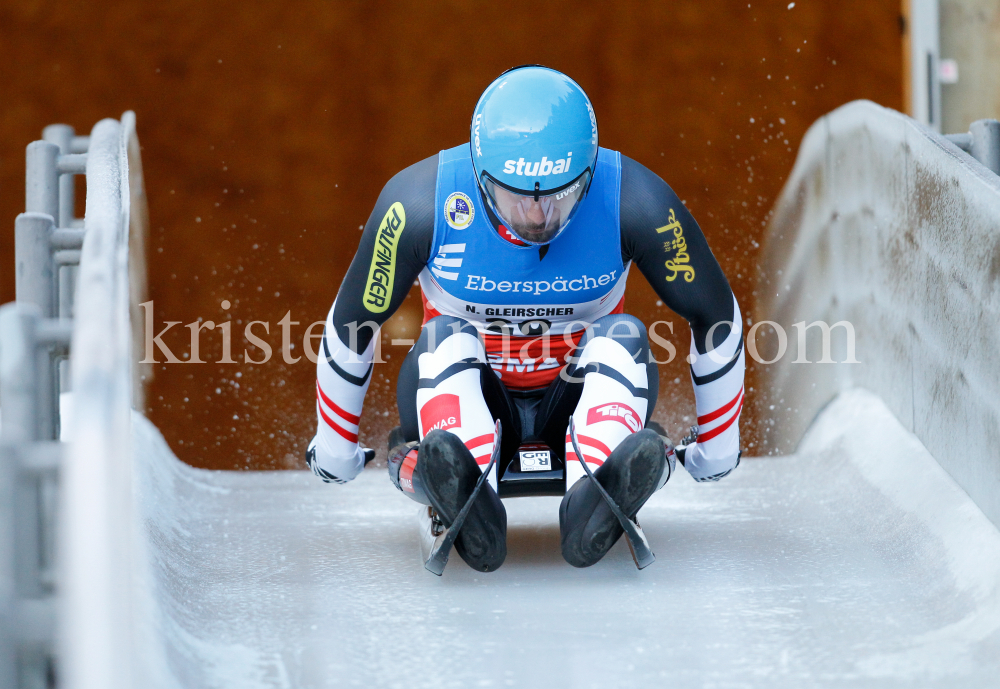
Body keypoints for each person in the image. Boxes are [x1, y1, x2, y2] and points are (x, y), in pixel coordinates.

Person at [305, 65, 745, 573]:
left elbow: (713, 314)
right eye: (517, 197)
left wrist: (718, 444)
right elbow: (353, 322)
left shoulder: (637, 202)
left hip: (575, 397)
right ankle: (470, 493)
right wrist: (336, 446)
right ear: (478, 174)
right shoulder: (417, 205)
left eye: (560, 196)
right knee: (443, 337)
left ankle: (592, 497)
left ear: (589, 172)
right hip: (467, 391)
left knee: (624, 336)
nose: (538, 217)